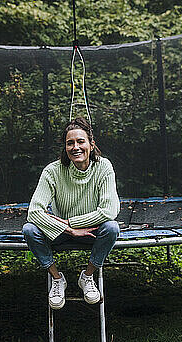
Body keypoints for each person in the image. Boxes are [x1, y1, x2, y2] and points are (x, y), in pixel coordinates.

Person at [22, 116, 120, 309]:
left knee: (111, 228)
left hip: (92, 232)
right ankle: (57, 279)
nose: (76, 147)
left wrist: (71, 223)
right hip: (59, 234)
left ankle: (88, 276)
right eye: (70, 143)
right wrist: (68, 230)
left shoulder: (103, 167)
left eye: (80, 141)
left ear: (91, 144)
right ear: (65, 148)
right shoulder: (53, 171)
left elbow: (110, 210)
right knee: (29, 230)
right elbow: (33, 212)